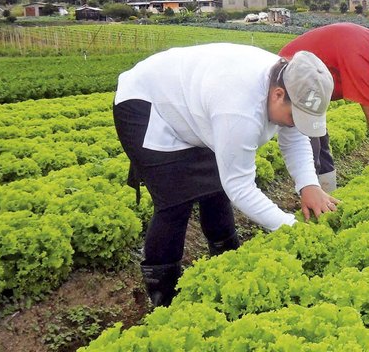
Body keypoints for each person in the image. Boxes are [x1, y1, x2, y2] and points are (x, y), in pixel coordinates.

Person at [113, 43, 338, 307]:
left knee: (215, 190)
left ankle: (227, 262)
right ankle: (164, 295)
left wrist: (308, 184)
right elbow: (240, 187)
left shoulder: (288, 83)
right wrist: (289, 227)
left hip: (196, 101)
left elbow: (294, 136)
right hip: (148, 103)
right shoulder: (239, 108)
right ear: (278, 95)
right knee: (175, 202)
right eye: (294, 115)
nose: (294, 122)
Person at [279, 23, 369, 191]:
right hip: (291, 80)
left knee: (320, 141)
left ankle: (328, 198)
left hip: (313, 91)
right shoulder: (360, 52)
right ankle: (312, 201)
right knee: (310, 146)